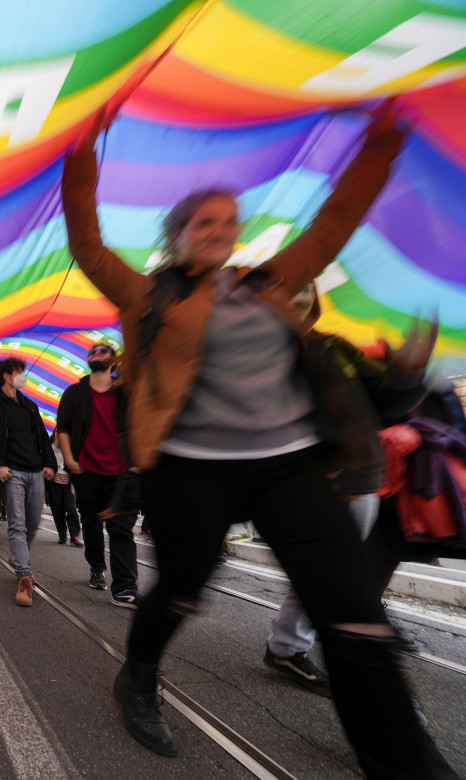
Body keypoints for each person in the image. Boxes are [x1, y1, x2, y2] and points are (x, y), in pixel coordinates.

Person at [63, 103, 458, 777]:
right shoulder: (146, 297)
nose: (220, 231)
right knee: (184, 590)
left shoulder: (272, 285)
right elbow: (88, 245)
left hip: (289, 468)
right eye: (203, 222)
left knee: (354, 614)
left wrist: (383, 143)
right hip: (189, 470)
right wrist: (81, 158)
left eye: (229, 222)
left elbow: (335, 222)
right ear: (180, 235)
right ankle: (138, 674)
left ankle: (403, 761)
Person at [264, 285, 433, 696]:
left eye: (305, 285)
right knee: (343, 587)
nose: (297, 293)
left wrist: (410, 365)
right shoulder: (258, 356)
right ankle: (383, 701)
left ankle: (287, 646)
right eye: (287, 284)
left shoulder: (334, 348)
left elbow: (384, 402)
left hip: (361, 480)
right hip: (315, 485)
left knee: (323, 577)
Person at [56, 342, 140, 607]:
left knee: (121, 527)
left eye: (104, 351)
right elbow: (64, 429)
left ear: (114, 361)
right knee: (91, 523)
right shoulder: (74, 392)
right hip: (87, 471)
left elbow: (141, 423)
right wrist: (70, 460)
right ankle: (96, 565)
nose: (97, 354)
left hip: (121, 473)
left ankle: (125, 587)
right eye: (93, 352)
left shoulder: (126, 391)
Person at [0, 357, 57, 607]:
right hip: (12, 474)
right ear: (8, 376)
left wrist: (50, 463)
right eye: (20, 372)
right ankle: (24, 576)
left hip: (36, 472)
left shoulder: (30, 406)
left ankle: (18, 556)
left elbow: (43, 438)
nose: (24, 376)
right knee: (17, 525)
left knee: (34, 522)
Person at [46, 432, 83, 548]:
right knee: (58, 510)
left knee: (71, 508)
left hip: (68, 482)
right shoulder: (49, 442)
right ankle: (62, 535)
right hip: (54, 481)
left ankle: (74, 536)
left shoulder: (73, 442)